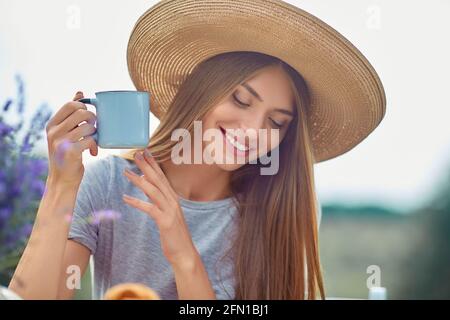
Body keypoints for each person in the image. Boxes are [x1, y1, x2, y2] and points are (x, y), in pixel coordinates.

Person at [9, 0, 386, 300]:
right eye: (240, 99)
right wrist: (61, 185)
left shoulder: (272, 210)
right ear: (201, 92)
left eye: (276, 122)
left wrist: (182, 251)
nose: (254, 130)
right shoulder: (109, 183)